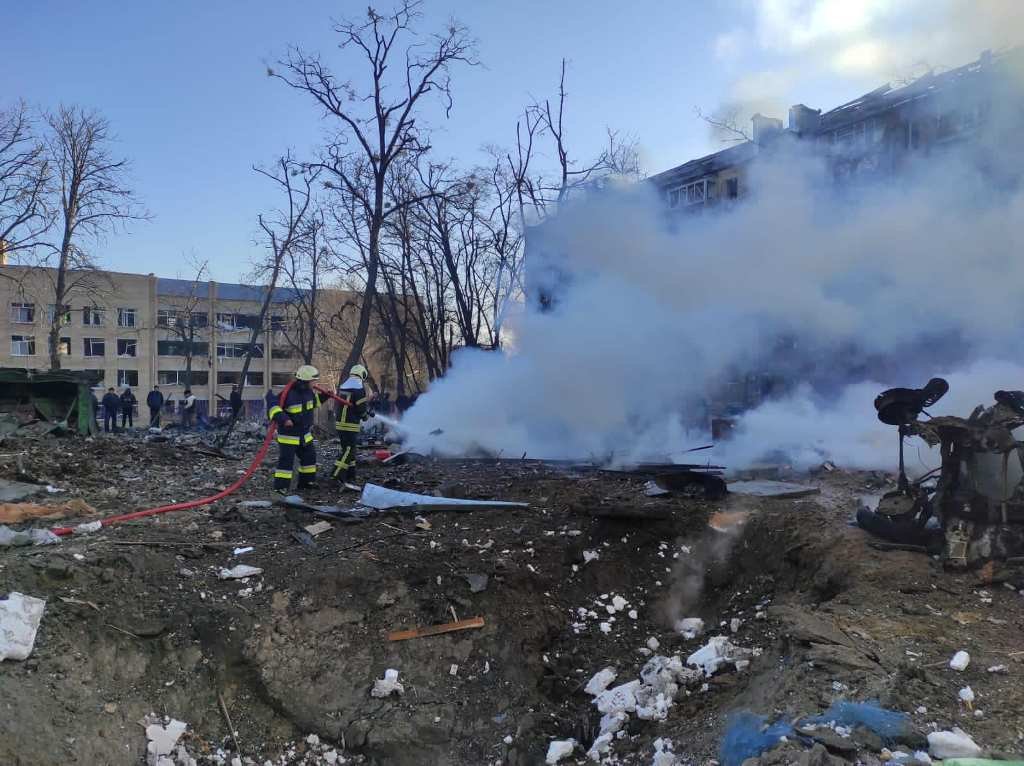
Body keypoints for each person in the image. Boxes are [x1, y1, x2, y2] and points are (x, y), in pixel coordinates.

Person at [267, 365, 326, 493]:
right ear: (305, 381)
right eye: (313, 380)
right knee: (286, 462)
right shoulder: (288, 393)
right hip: (289, 435)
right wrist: (284, 419)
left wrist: (324, 397)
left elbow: (312, 404)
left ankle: (306, 483)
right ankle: (281, 487)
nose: (315, 383)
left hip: (304, 433)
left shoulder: (308, 392)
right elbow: (273, 407)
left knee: (309, 458)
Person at [332, 364, 373, 483]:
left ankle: (350, 475)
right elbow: (361, 408)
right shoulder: (358, 388)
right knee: (349, 451)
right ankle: (336, 474)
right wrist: (365, 416)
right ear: (362, 374)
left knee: (348, 450)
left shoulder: (344, 386)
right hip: (350, 424)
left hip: (340, 423)